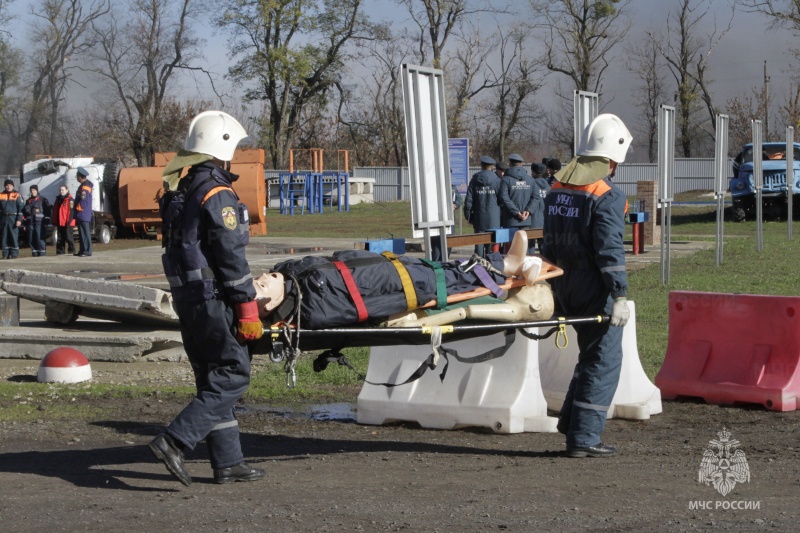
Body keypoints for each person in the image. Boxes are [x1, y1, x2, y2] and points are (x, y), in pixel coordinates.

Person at [149, 110, 266, 486]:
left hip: (189, 298)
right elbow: (231, 257)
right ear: (224, 147)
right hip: (214, 298)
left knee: (212, 377)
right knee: (233, 374)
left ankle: (228, 461)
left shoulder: (183, 188)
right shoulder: (217, 193)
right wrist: (247, 306)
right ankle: (174, 440)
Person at [541, 113, 632, 459]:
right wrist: (620, 293)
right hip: (593, 288)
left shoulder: (556, 189)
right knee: (602, 360)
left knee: (588, 355)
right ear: (612, 159)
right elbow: (609, 252)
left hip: (561, 284)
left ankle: (571, 421)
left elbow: (548, 241)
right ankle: (584, 437)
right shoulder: (606, 195)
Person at [254, 230, 547, 330]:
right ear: (270, 304)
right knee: (440, 277)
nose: (263, 276)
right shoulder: (309, 307)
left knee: (438, 269)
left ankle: (508, 266)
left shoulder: (293, 278)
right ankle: (507, 265)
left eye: (262, 277)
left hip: (384, 273)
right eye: (261, 284)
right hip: (394, 284)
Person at [499, 153, 542, 253]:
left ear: (510, 164)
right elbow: (536, 197)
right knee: (524, 249)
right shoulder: (530, 180)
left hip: (510, 220)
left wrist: (516, 212)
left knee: (511, 250)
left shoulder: (506, 180)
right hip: (526, 220)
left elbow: (503, 197)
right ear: (521, 165)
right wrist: (528, 211)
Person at [463, 156, 502, 257]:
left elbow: (469, 200)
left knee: (479, 244)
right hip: (494, 217)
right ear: (492, 167)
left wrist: (468, 216)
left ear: (481, 165)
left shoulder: (475, 180)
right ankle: (490, 266)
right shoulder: (497, 180)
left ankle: (479, 268)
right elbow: (502, 199)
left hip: (479, 216)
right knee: (491, 244)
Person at [430, 183, 464, 262]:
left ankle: (444, 262)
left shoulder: (452, 187)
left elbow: (459, 200)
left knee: (448, 244)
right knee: (436, 247)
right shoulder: (433, 186)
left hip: (449, 221)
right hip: (436, 220)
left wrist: (455, 205)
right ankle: (436, 264)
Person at [23, 184, 51, 257]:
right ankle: (34, 254)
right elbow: (25, 213)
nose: (33, 192)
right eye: (31, 190)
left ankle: (42, 255)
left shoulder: (43, 200)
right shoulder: (28, 201)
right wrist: (25, 224)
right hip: (30, 223)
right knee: (31, 239)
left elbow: (48, 212)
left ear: (37, 191)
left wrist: (46, 222)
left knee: (40, 239)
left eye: (34, 190)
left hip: (40, 223)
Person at [529, 163, 550, 252]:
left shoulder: (530, 185)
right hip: (545, 221)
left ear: (533, 172)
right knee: (544, 249)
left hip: (532, 220)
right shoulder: (549, 187)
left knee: (530, 248)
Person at [0, 179, 23, 259]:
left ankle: (14, 254)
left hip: (13, 218)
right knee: (4, 237)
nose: (8, 186)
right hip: (4, 218)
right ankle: (5, 254)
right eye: (7, 185)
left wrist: (19, 220)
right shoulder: (1, 195)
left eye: (10, 185)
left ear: (13, 186)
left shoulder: (16, 195)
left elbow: (20, 209)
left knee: (13, 236)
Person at [73, 168, 93, 257]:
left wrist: (77, 209)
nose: (76, 178)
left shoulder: (85, 187)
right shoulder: (83, 186)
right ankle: (82, 250)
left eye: (77, 176)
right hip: (81, 214)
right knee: (81, 233)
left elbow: (83, 201)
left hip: (83, 213)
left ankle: (87, 251)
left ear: (80, 177)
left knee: (85, 233)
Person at [53, 184, 76, 255]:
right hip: (60, 222)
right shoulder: (58, 200)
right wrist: (54, 220)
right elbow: (55, 211)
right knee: (60, 239)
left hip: (68, 222)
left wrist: (69, 221)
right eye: (60, 190)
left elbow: (71, 211)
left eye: (63, 190)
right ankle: (60, 252)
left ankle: (72, 251)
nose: (61, 191)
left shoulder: (70, 200)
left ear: (67, 190)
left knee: (69, 238)